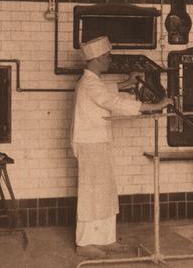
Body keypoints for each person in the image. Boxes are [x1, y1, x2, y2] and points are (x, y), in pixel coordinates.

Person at [71, 36, 171, 259]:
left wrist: (127, 83)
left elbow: (106, 93)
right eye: (106, 57)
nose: (110, 61)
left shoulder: (93, 82)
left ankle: (105, 238)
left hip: (99, 142)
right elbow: (111, 102)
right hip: (89, 143)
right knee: (91, 192)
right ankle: (85, 242)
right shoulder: (88, 83)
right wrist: (154, 106)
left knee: (105, 190)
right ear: (96, 59)